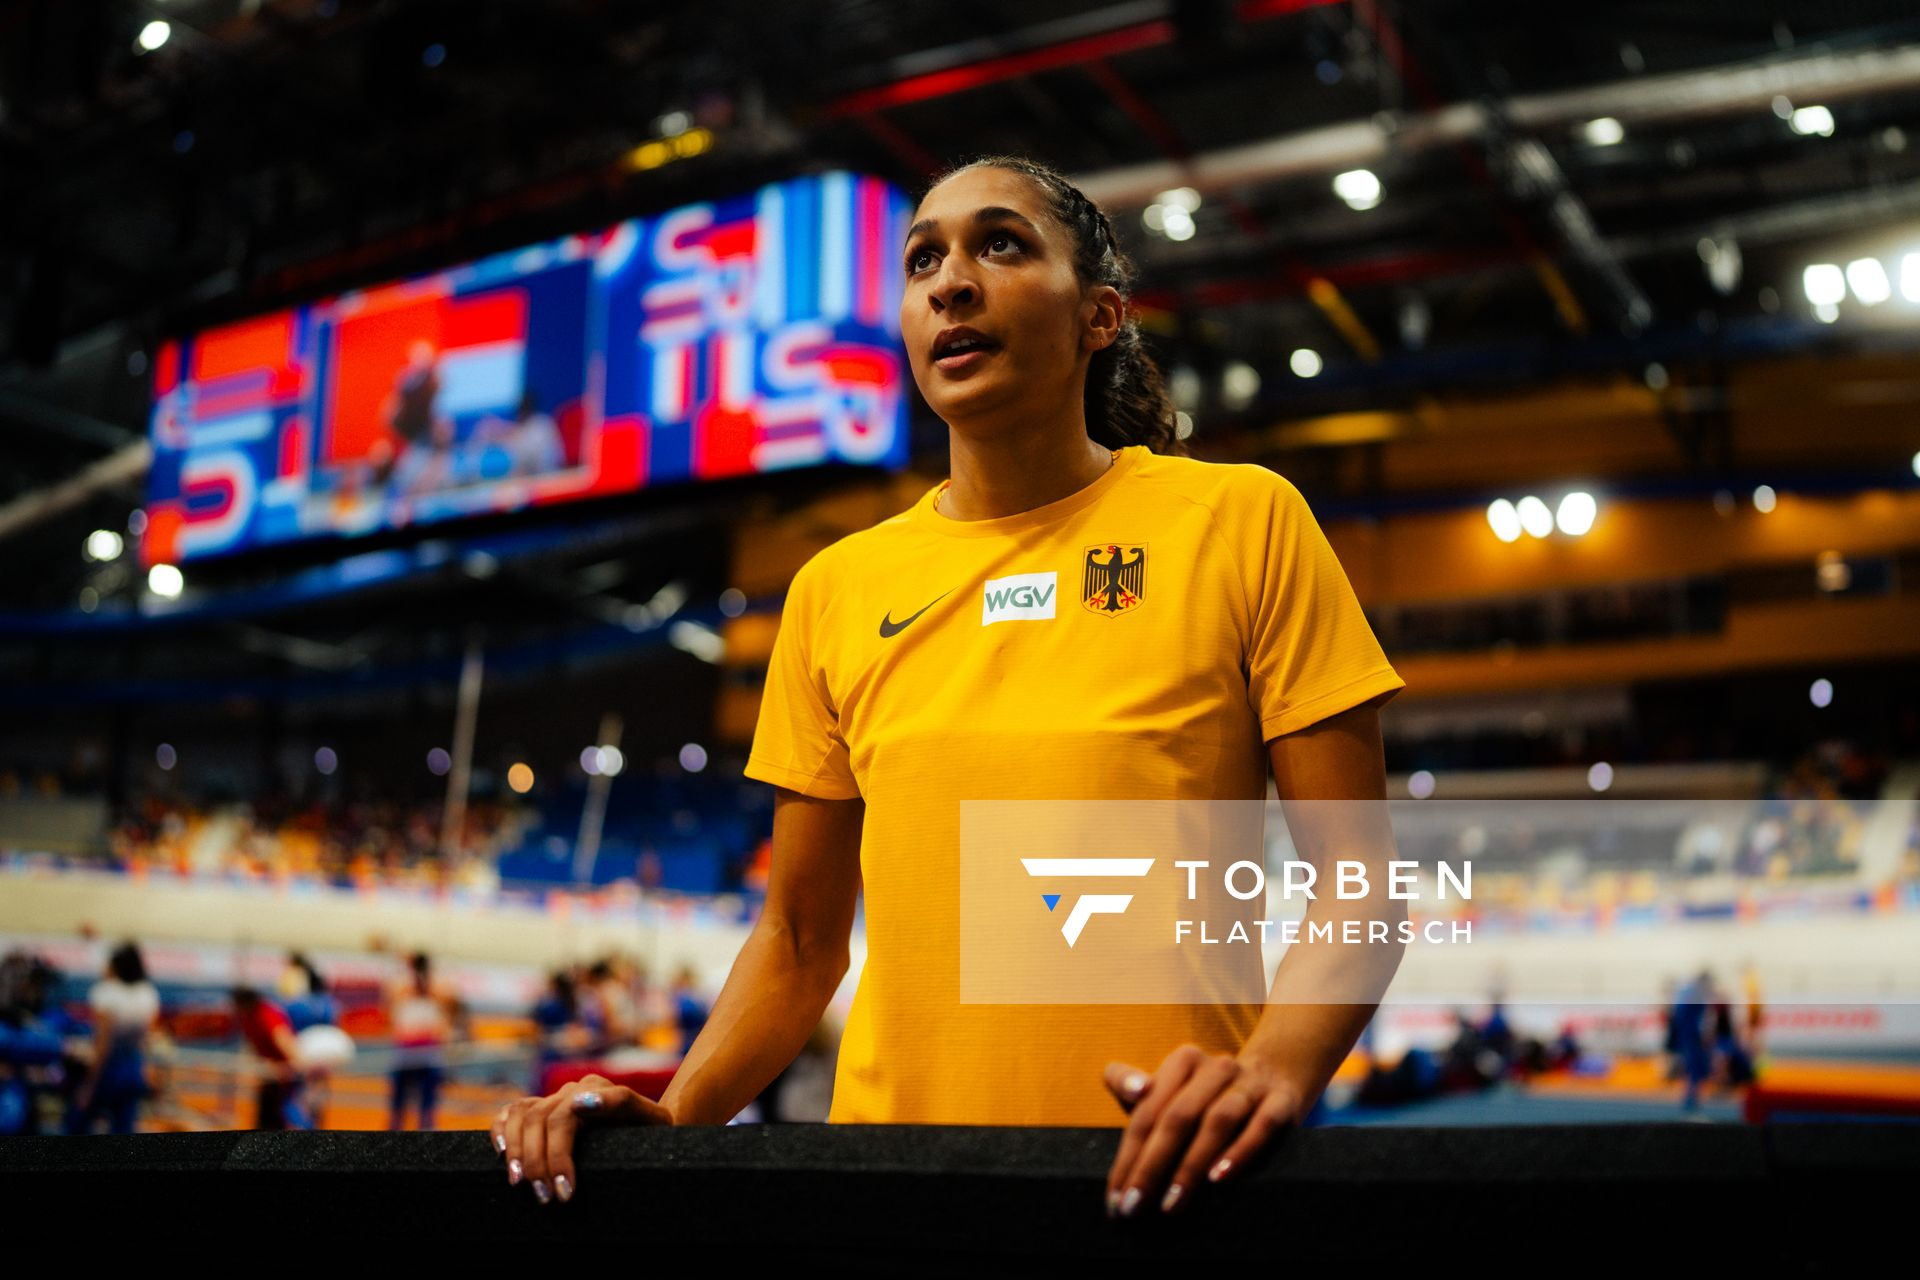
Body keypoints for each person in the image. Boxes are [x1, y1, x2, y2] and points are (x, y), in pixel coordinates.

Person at [493, 154, 1405, 1216]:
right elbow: (797, 939)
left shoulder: (1243, 522)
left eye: (1001, 244)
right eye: (924, 257)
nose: (949, 281)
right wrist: (682, 1107)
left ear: (1101, 314)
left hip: (1167, 1177)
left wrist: (1273, 1073)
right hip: (892, 1184)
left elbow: (1362, 883)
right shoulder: (836, 588)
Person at [67, 942, 160, 1135]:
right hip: (133, 1068)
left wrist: (88, 1084)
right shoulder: (147, 994)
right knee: (124, 1127)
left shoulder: (106, 994)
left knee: (78, 1121)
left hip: (109, 1068)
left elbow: (103, 1043)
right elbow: (145, 1040)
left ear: (115, 967)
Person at [386, 951, 456, 1130]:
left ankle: (426, 1131)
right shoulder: (402, 986)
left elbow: (448, 1006)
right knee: (399, 1102)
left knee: (428, 1101)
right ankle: (394, 1132)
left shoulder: (438, 987)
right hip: (407, 1049)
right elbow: (392, 1001)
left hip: (429, 1049)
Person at [232, 987, 304, 1129]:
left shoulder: (266, 1014)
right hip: (270, 1075)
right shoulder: (248, 1018)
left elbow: (284, 1040)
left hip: (284, 1075)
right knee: (267, 1116)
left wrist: (294, 1065)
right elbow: (253, 1047)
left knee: (287, 1113)